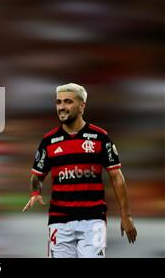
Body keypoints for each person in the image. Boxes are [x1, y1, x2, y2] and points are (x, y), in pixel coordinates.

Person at [23, 83, 137, 258]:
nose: (61, 107)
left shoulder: (100, 138)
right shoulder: (49, 141)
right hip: (59, 221)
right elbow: (37, 176)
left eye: (68, 102)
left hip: (93, 220)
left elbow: (116, 177)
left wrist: (126, 216)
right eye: (58, 102)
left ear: (82, 106)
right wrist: (35, 192)